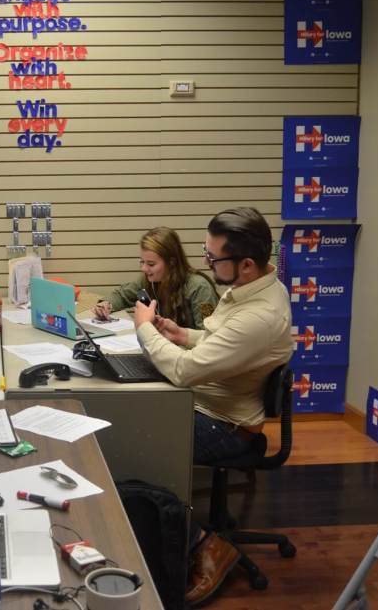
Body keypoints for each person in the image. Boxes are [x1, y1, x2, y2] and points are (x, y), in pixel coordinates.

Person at [132, 207, 293, 607]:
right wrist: (182, 335)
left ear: (247, 264)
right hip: (210, 405)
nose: (206, 262)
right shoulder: (253, 287)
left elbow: (184, 372)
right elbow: (219, 342)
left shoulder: (259, 315)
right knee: (135, 415)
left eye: (213, 256)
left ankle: (203, 542)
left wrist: (144, 329)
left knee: (135, 443)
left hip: (227, 428)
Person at [93, 227, 218, 329]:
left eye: (151, 264)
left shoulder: (199, 288)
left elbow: (208, 336)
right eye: (142, 262)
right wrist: (106, 304)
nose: (144, 269)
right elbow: (121, 295)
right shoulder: (148, 281)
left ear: (172, 263)